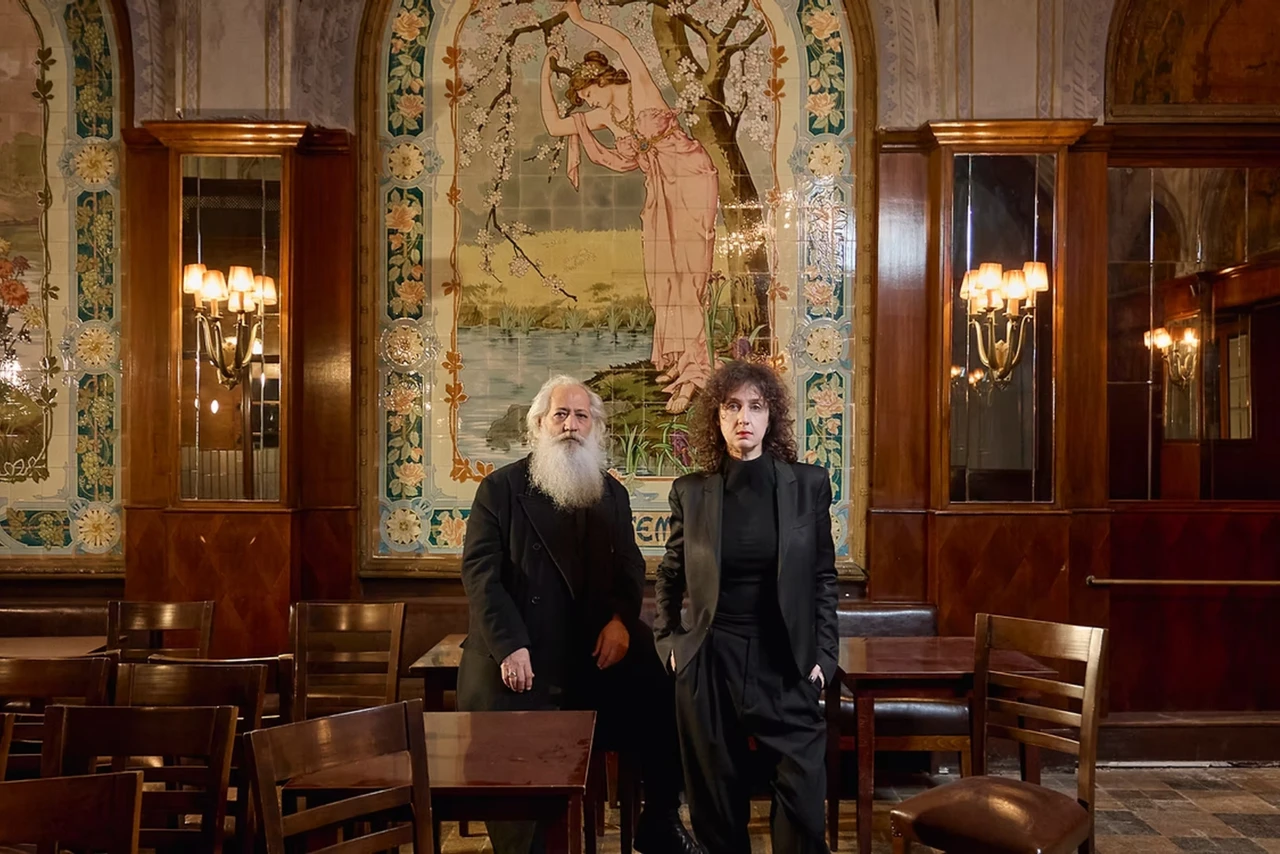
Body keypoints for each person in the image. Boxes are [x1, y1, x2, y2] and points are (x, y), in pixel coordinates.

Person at [457, 374, 701, 854]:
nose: (571, 425)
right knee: (522, 802)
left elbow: (631, 566)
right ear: (539, 425)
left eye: (581, 416)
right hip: (519, 658)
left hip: (589, 656)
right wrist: (510, 645)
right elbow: (481, 577)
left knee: (663, 690)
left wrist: (620, 620)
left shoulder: (611, 493)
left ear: (595, 428)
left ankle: (660, 820)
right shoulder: (500, 489)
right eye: (561, 415)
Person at [654, 360, 837, 854]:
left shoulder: (808, 485)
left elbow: (823, 577)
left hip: (786, 660)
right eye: (732, 406)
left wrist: (825, 653)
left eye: (755, 407)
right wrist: (672, 646)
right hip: (711, 662)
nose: (744, 418)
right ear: (716, 417)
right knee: (716, 803)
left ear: (770, 416)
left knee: (802, 802)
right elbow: (669, 576)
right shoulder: (691, 492)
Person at [539, 0, 719, 414]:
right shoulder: (605, 116)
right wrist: (544, 77)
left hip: (690, 177)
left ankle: (696, 375)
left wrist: (581, 20)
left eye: (585, 93)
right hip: (660, 189)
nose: (584, 102)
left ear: (599, 80)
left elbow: (623, 42)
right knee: (664, 277)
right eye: (581, 98)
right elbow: (555, 125)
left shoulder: (639, 88)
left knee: (689, 275)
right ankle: (677, 360)